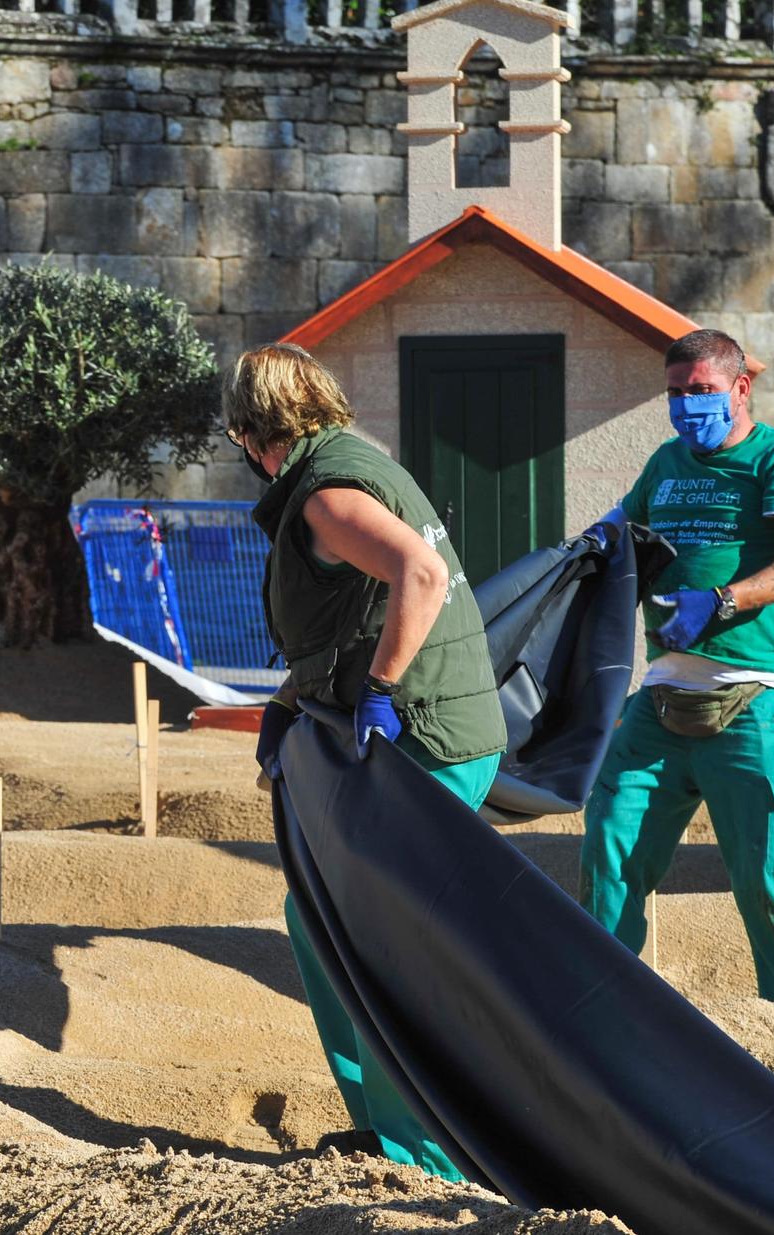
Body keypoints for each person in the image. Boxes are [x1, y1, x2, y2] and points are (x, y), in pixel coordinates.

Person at [226, 343, 507, 1180]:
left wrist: (380, 688)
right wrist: (288, 702)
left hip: (423, 738)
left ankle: (421, 1156)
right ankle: (382, 1128)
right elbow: (351, 613)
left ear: (250, 432)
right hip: (426, 732)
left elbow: (417, 574)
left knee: (374, 939)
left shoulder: (325, 493)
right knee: (315, 923)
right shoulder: (349, 463)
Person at [580, 328, 774, 1001]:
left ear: (739, 389)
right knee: (609, 848)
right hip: (661, 701)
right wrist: (580, 556)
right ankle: (600, 1014)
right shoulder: (665, 464)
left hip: (753, 700)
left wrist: (719, 603)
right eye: (676, 392)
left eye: (702, 391)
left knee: (769, 873)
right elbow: (617, 534)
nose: (688, 404)